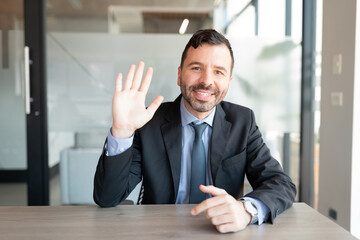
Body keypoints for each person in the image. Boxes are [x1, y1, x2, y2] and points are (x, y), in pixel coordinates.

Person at [93, 29, 296, 233]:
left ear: (228, 81)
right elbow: (107, 197)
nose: (207, 81)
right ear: (180, 74)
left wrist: (245, 210)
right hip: (159, 232)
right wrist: (121, 131)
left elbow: (280, 184)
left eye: (218, 71)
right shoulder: (149, 122)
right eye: (197, 68)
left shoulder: (243, 122)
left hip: (222, 232)